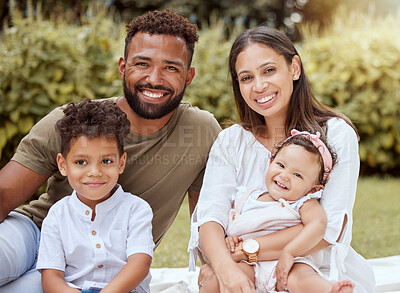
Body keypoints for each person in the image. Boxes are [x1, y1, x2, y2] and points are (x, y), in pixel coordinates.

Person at [0, 10, 221, 292]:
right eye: (142, 63)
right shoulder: (75, 121)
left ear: (188, 76)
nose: (154, 78)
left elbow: (204, 223)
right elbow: (4, 194)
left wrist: (216, 271)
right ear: (122, 67)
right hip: (35, 233)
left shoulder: (201, 132)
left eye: (170, 68)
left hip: (103, 270)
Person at [192, 26, 375, 293]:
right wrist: (224, 266)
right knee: (214, 279)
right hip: (241, 268)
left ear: (294, 68)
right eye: (246, 77)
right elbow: (210, 217)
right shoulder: (231, 141)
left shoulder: (335, 135)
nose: (259, 86)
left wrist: (242, 251)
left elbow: (329, 227)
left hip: (313, 269)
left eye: (268, 70)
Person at [190, 129, 355, 293]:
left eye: (297, 175)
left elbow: (319, 226)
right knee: (215, 279)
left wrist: (290, 252)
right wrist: (230, 240)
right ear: (270, 163)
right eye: (281, 165)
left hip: (290, 263)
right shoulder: (246, 197)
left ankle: (329, 291)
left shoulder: (303, 203)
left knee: (302, 278)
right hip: (248, 265)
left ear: (313, 189)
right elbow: (230, 226)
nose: (284, 175)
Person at [37, 99, 154, 293]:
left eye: (106, 161)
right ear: (63, 164)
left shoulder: (136, 209)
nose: (94, 172)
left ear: (121, 163)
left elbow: (140, 264)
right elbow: (51, 277)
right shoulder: (58, 215)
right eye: (81, 162)